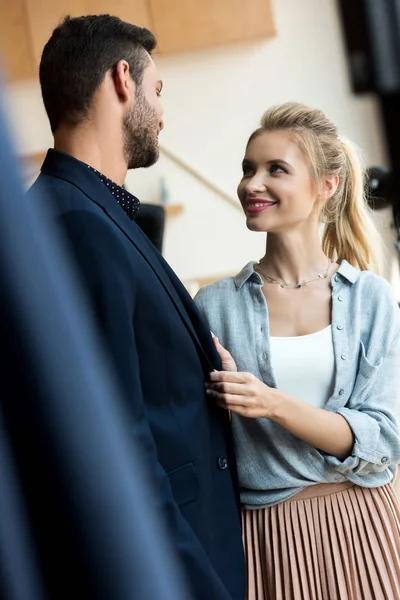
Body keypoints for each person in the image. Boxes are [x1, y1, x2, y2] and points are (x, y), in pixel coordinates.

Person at [27, 15, 245, 600]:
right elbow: (117, 440)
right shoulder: (76, 222)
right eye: (158, 90)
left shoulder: (91, 211)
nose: (162, 110)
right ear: (123, 79)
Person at [194, 102, 400, 600]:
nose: (251, 184)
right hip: (268, 538)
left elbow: (384, 438)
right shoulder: (214, 305)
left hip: (370, 523)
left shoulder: (370, 298)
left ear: (326, 185)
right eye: (248, 169)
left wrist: (270, 403)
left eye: (275, 169)